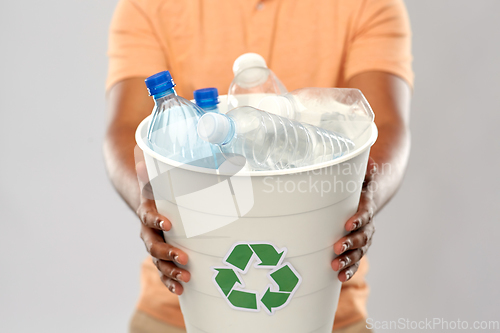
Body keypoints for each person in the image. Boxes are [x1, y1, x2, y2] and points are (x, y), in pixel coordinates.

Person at [103, 0, 413, 332]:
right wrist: (150, 203)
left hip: (329, 307)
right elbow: (125, 130)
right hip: (175, 303)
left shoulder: (368, 5)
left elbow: (382, 125)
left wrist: (365, 194)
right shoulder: (149, 5)